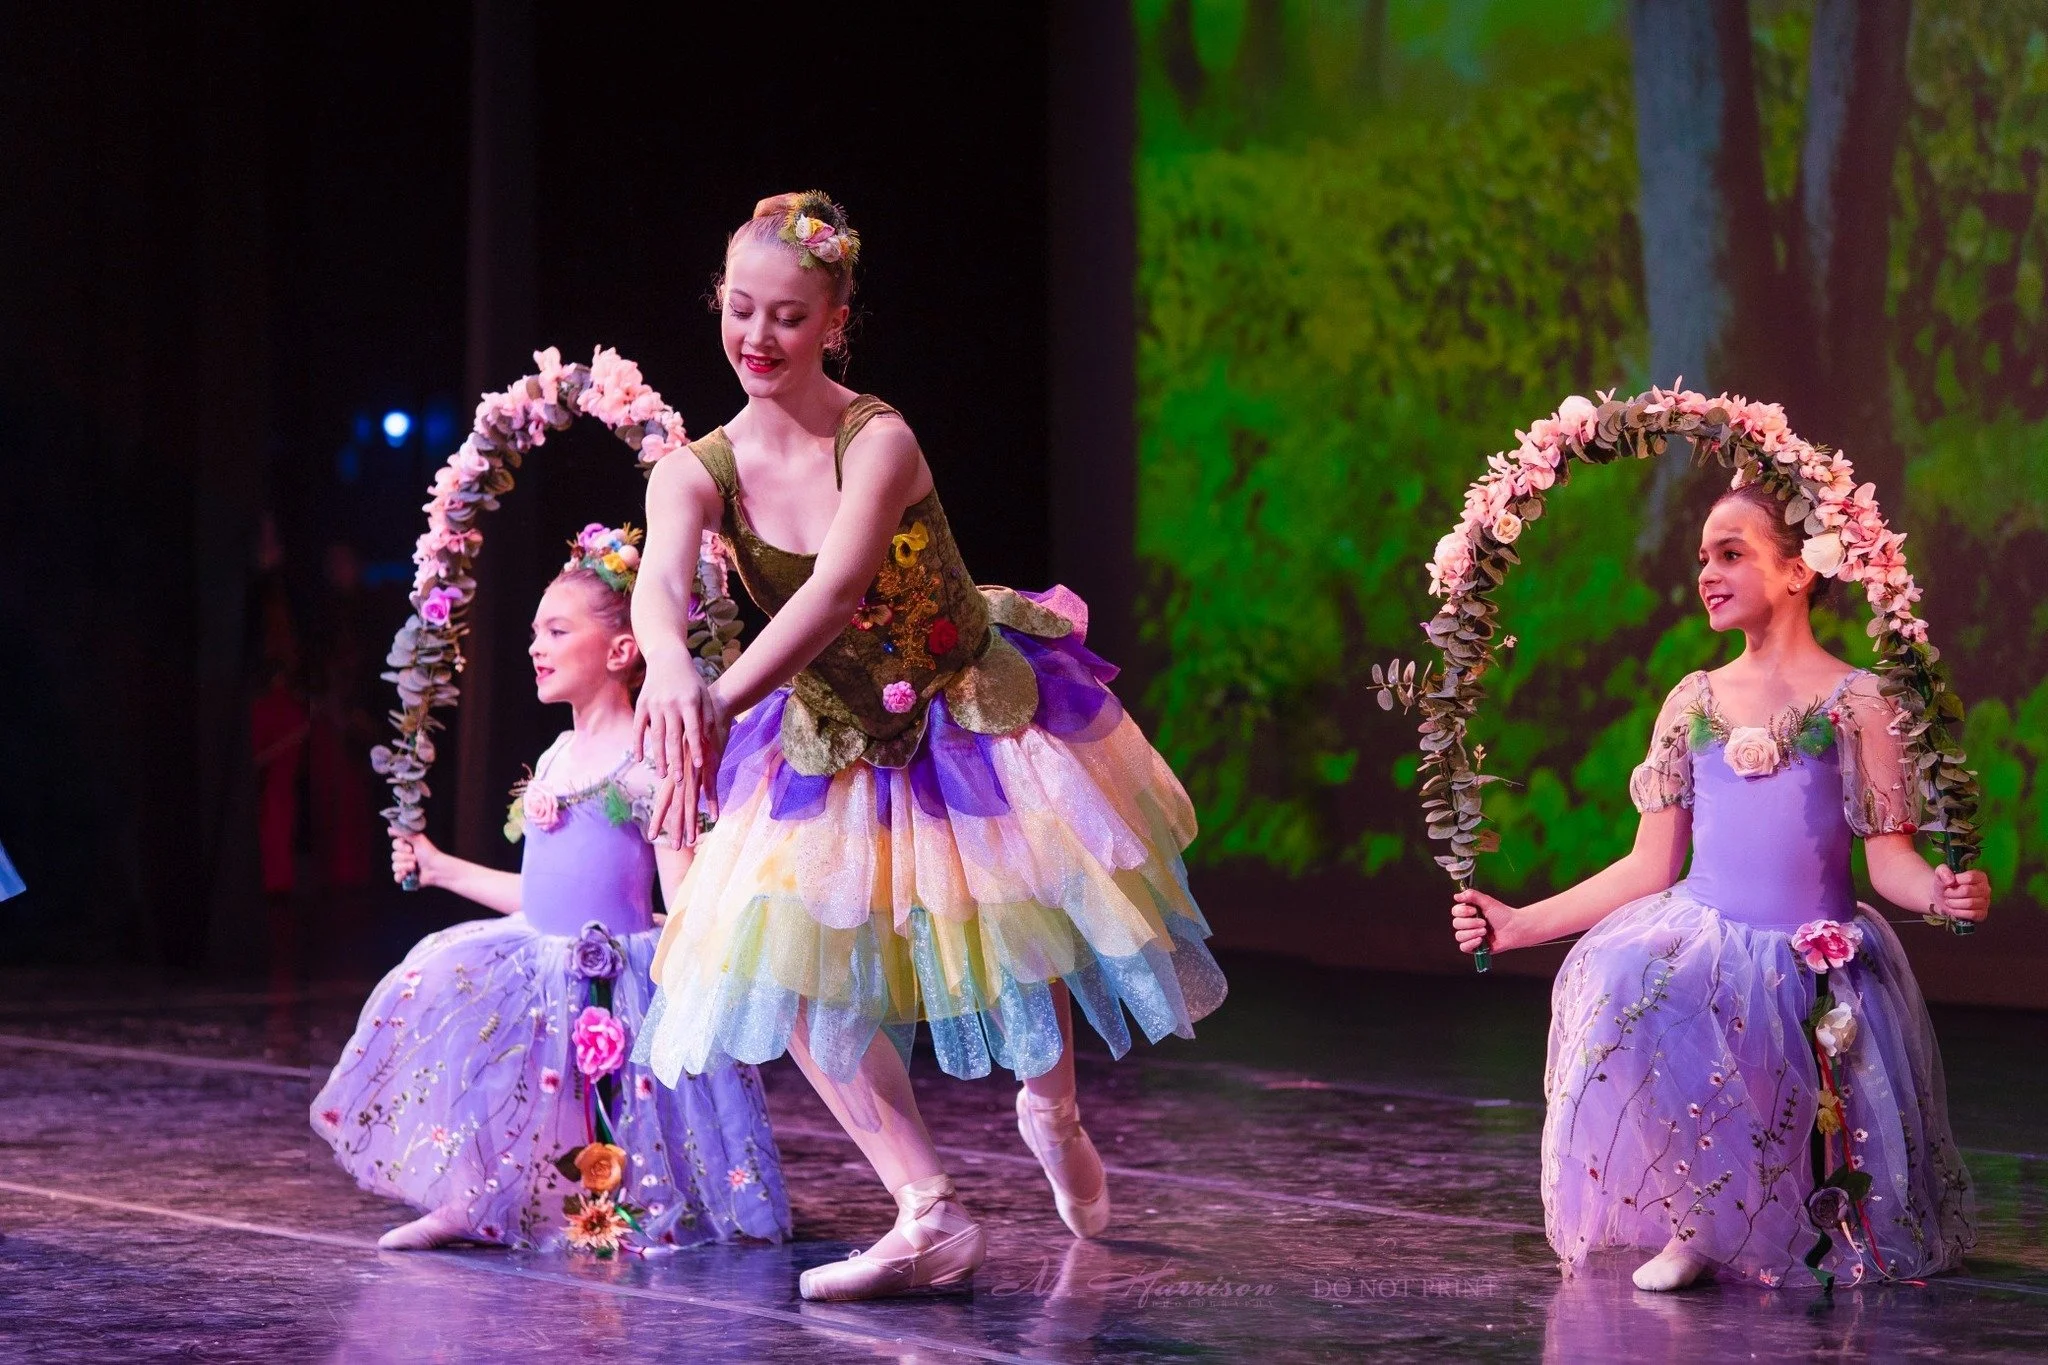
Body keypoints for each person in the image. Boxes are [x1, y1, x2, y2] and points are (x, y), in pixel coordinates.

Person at [630, 191, 1227, 1300]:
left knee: (1016, 923)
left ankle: (1051, 1110)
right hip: (829, 734)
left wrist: (713, 701)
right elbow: (660, 583)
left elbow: (834, 590)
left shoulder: (880, 439)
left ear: (835, 320)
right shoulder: (696, 470)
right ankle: (928, 1209)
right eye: (742, 309)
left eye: (789, 317)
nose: (759, 337)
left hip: (965, 710)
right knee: (780, 958)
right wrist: (667, 662)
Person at [1450, 482, 1987, 1291]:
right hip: (1706, 938)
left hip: (1811, 948)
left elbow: (1890, 860)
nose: (1707, 572)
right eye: (1703, 556)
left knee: (1800, 1094)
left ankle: (1801, 1221)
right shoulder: (1692, 701)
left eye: (1732, 554)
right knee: (1630, 982)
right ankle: (1698, 1221)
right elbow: (1648, 866)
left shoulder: (1859, 702)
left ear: (1800, 569)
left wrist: (1939, 893)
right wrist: (1520, 923)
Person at [312, 524, 790, 1253]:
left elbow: (682, 891)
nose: (536, 645)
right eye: (536, 630)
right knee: (467, 1034)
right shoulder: (557, 753)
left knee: (605, 1115)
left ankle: (612, 1202)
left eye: (558, 630)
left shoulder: (647, 759)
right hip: (538, 962)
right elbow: (541, 900)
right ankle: (471, 1198)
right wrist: (440, 866)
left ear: (622, 651)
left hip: (611, 975)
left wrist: (704, 960)